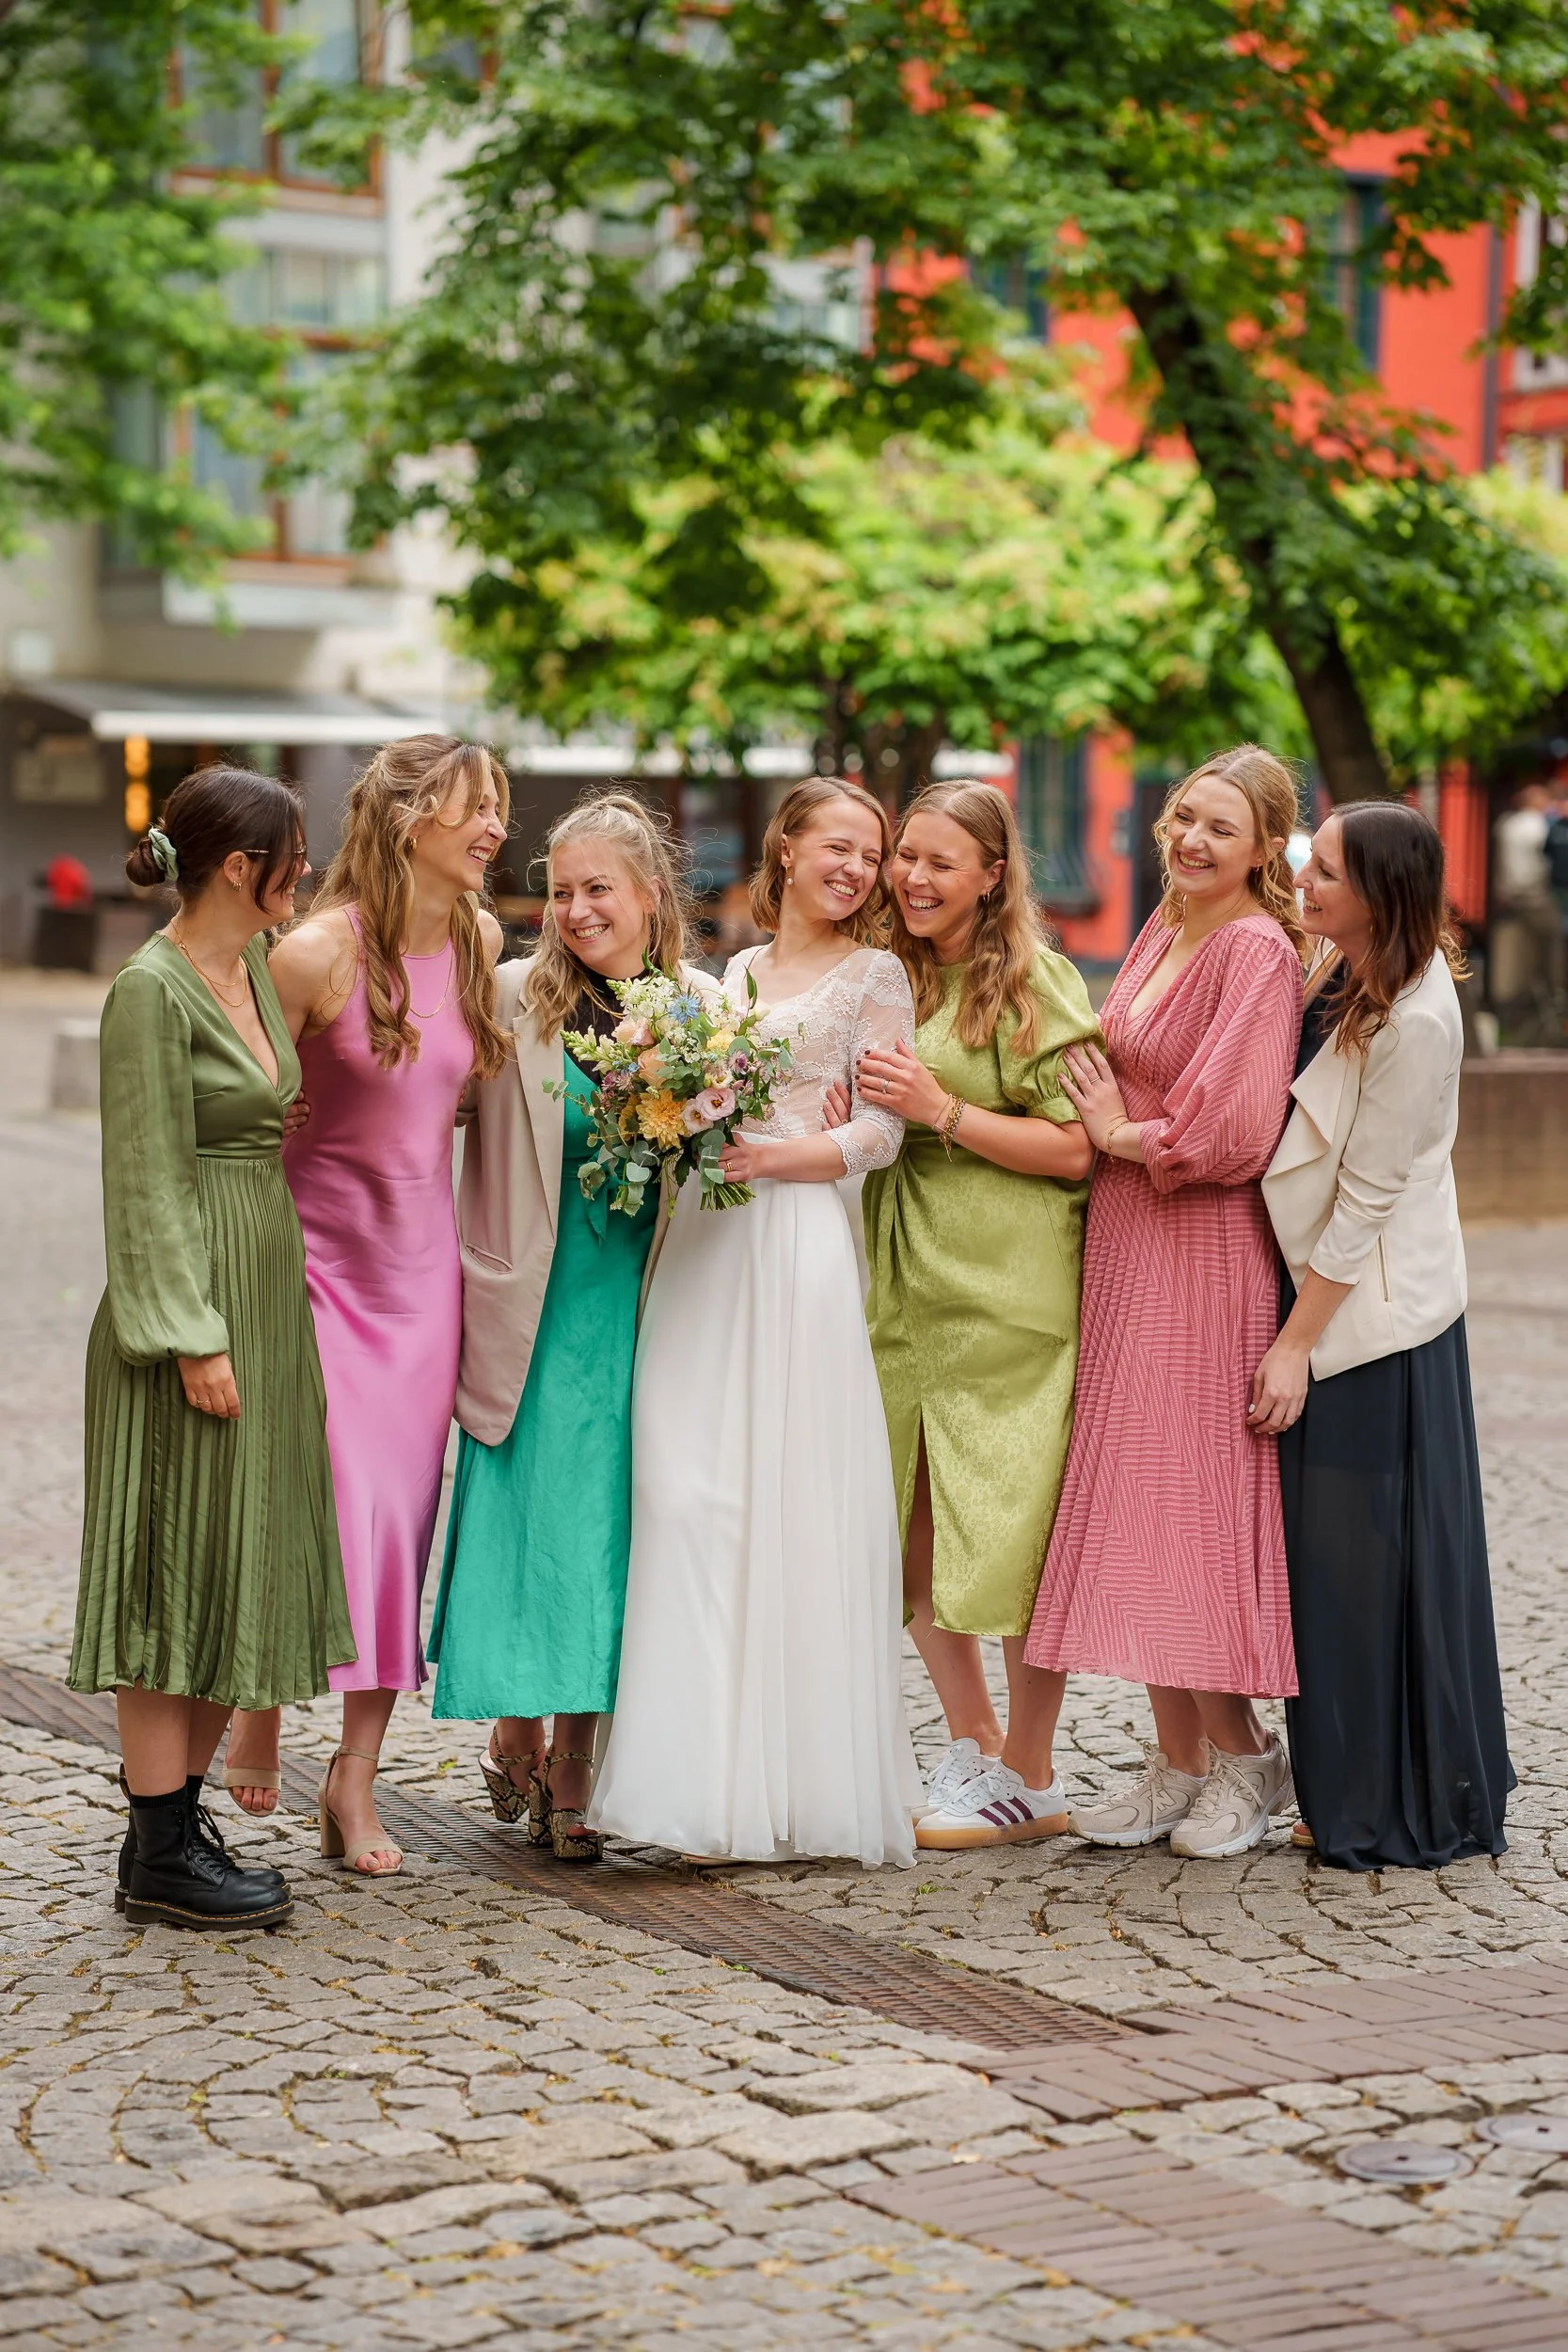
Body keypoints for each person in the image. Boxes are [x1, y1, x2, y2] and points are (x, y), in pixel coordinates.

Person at [590, 777, 924, 1867]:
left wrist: (783, 1155)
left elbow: (883, 1129)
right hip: (707, 1240)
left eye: (869, 854)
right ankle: (692, 1778)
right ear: (784, 850)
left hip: (794, 1246)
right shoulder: (729, 974)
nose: (857, 869)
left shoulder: (877, 976)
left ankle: (786, 1787)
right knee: (684, 1490)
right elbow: (696, 1102)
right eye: (839, 845)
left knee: (789, 1497)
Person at [70, 768, 355, 1930]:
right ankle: (156, 1848)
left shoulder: (247, 972)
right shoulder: (151, 988)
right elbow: (141, 1178)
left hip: (262, 1291)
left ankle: (180, 1825)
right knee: (169, 1563)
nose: (309, 869)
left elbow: (247, 1117)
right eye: (296, 852)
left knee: (225, 1558)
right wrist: (191, 1336)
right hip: (189, 1307)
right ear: (244, 868)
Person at [1010, 745, 1306, 1862]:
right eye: (1183, 815)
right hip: (1130, 1240)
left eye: (1217, 828)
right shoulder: (1163, 925)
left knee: (1188, 1504)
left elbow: (1231, 1128)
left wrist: (1120, 1135)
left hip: (1197, 1242)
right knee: (1134, 1499)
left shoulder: (1252, 948)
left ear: (1261, 848)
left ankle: (1243, 1755)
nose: (1188, 839)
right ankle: (1178, 1759)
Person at [222, 737, 509, 1876]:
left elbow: (475, 1103)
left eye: (496, 807)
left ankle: (354, 1772)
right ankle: (259, 1693)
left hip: (420, 1276)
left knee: (398, 1516)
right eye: (472, 807)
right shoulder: (311, 953)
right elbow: (234, 1112)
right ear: (405, 820)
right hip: (315, 1267)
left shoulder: (483, 941)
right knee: (317, 1495)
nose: (493, 826)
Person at [427, 790, 711, 1859]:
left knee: (606, 1533)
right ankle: (517, 1724)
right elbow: (427, 1104)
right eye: (560, 891)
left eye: (599, 889)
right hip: (529, 1304)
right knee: (526, 1525)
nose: (577, 910)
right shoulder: (510, 997)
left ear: (648, 895)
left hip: (642, 1304)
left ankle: (576, 1764)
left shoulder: (695, 1006)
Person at [1255, 800, 1513, 1871]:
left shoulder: (1412, 1015)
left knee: (1362, 1563)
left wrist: (1291, 1346)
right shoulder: (1338, 964)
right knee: (1333, 1567)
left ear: (1380, 896)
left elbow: (1363, 1199)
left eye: (1322, 874)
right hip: (1336, 1297)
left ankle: (1384, 1795)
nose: (1302, 885)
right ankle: (1341, 1778)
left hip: (1375, 1321)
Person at [854, 782, 1101, 1850]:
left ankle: (1032, 1776)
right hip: (897, 1286)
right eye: (903, 855)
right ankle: (975, 1739)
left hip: (1004, 1295)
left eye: (939, 862)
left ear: (991, 875)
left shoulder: (1031, 979)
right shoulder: (882, 975)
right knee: (902, 1543)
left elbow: (1078, 1146)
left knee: (1009, 1540)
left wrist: (940, 1110)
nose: (911, 876)